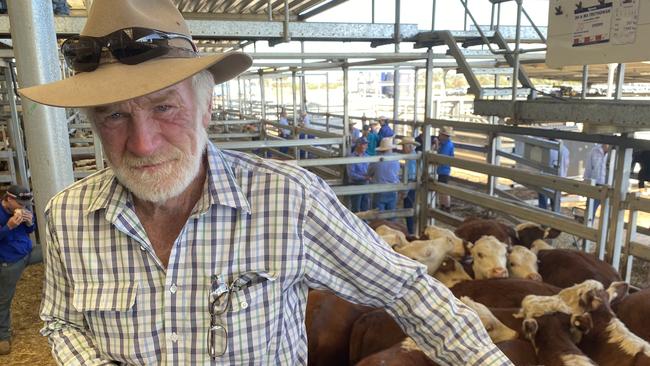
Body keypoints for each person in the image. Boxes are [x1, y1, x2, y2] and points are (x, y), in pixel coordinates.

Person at [20, 1, 510, 364]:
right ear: (92, 125)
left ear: (207, 107)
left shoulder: (288, 199)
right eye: (113, 117)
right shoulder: (68, 216)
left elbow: (408, 292)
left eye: (164, 107)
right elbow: (61, 321)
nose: (143, 143)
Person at [0, 185, 36, 355]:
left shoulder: (24, 209)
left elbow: (30, 230)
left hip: (28, 252)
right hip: (10, 261)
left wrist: (30, 223)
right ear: (8, 199)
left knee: (55, 251)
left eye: (26, 203)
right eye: (20, 203)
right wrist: (8, 227)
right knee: (4, 300)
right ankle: (3, 336)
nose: (24, 206)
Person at [368, 138, 401, 211]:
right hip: (392, 189)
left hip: (379, 189)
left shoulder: (376, 159)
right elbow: (397, 172)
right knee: (391, 215)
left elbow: (369, 173)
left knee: (378, 217)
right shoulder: (396, 159)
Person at [538, 140, 570, 210]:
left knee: (543, 207)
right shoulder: (565, 150)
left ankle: (542, 219)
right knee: (555, 206)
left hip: (545, 181)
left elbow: (540, 164)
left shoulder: (546, 148)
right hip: (558, 181)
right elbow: (566, 166)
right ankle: (555, 219)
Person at [399, 137, 420, 234]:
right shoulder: (413, 156)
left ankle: (410, 231)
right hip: (413, 186)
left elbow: (411, 176)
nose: (402, 148)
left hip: (410, 187)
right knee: (410, 208)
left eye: (404, 146)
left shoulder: (411, 159)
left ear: (409, 146)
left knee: (408, 209)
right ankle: (411, 230)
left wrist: (405, 191)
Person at [584, 143, 610, 214]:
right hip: (595, 186)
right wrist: (585, 185)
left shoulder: (616, 152)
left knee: (607, 215)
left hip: (609, 188)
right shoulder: (594, 150)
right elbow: (588, 169)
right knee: (590, 212)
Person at [347, 137, 370, 212]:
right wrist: (364, 177)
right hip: (356, 184)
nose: (366, 146)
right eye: (364, 144)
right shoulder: (351, 157)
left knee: (365, 206)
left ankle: (364, 222)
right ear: (358, 145)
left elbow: (370, 169)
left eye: (366, 144)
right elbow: (351, 174)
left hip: (365, 184)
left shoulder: (367, 156)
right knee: (356, 207)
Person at [435, 126, 455, 212]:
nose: (439, 135)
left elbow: (441, 157)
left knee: (443, 189)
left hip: (443, 170)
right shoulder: (445, 144)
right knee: (442, 189)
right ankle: (443, 205)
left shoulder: (446, 145)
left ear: (444, 135)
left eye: (441, 134)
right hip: (443, 169)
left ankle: (446, 206)